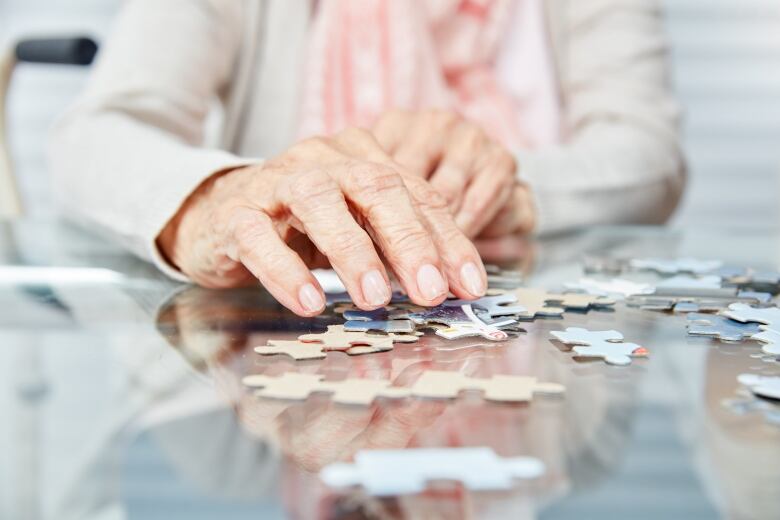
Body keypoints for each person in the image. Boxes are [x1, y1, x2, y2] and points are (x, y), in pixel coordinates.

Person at [49, 0, 685, 317]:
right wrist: (217, 197)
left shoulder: (577, 453)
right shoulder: (234, 469)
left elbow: (649, 156)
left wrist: (505, 186)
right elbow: (95, 133)